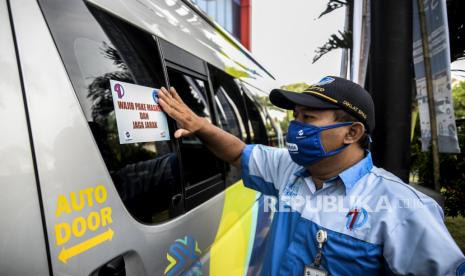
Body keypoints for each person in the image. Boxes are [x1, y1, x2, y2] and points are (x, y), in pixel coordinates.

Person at [158, 76, 465, 275]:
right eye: (296, 118)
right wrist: (201, 126)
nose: (296, 127)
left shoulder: (401, 208)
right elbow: (239, 153)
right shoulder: (288, 169)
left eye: (309, 118)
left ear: (352, 132)